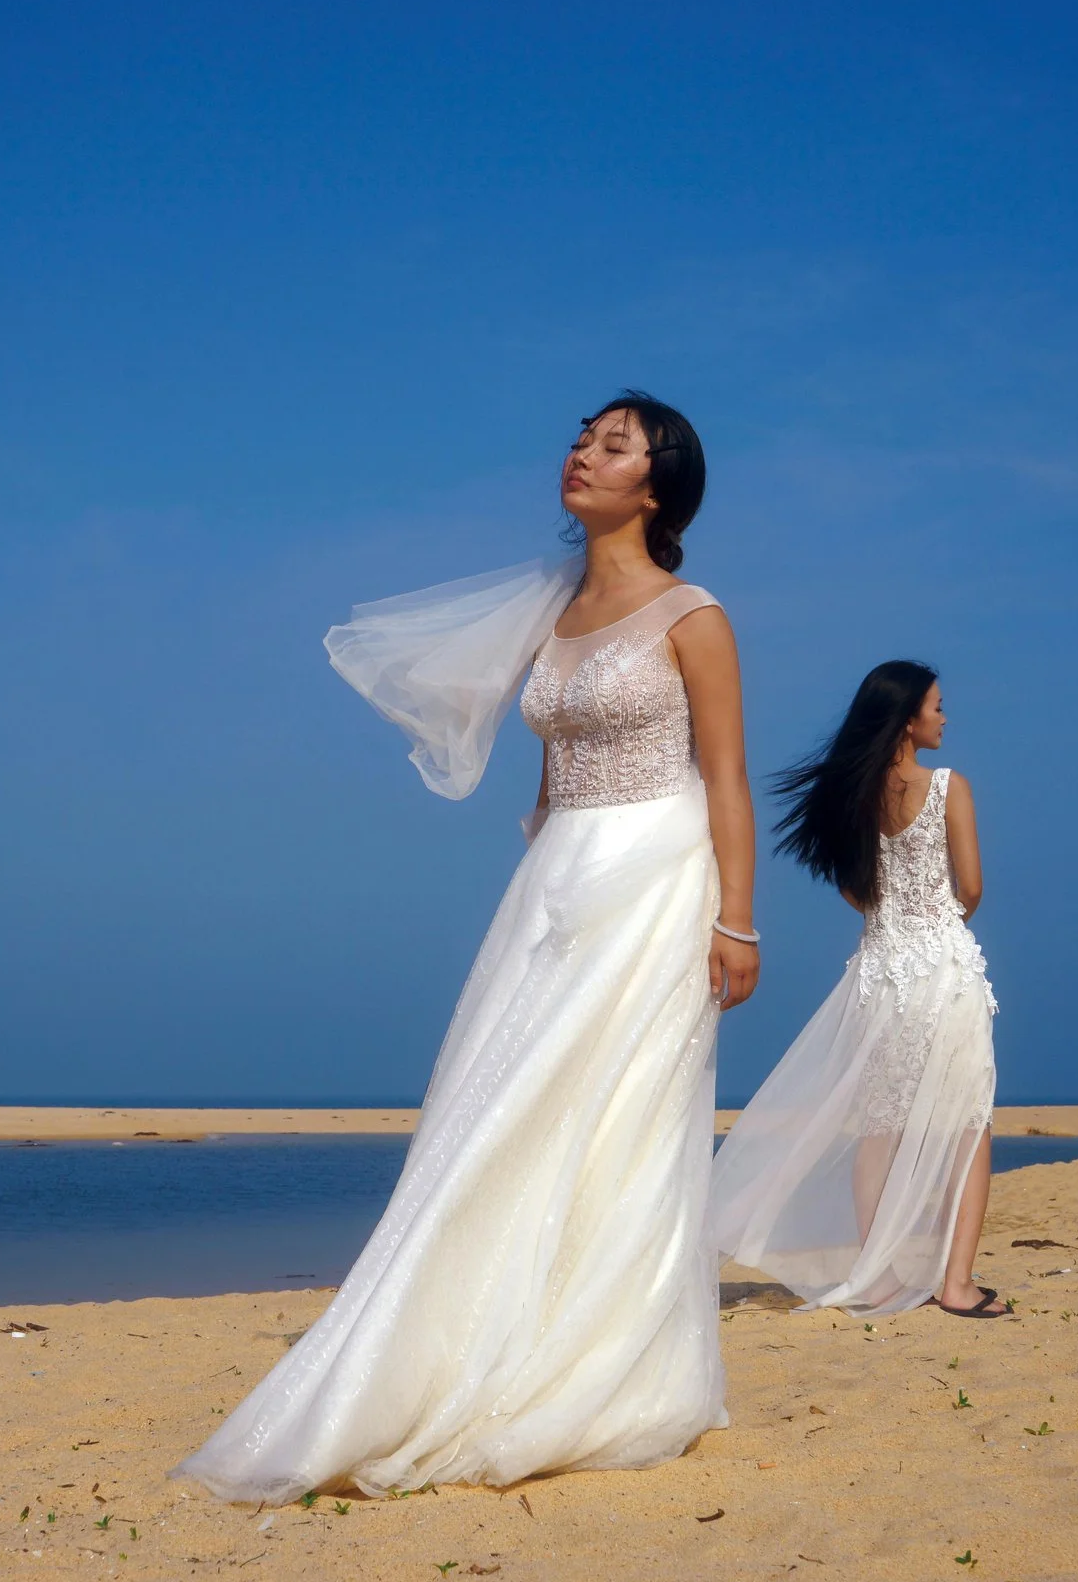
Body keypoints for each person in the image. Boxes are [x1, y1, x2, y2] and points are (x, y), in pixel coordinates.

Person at [176, 393, 757, 1503]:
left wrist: (737, 918)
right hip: (558, 879)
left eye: (615, 446)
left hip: (656, 875)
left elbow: (725, 775)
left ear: (657, 486)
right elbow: (550, 765)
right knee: (499, 1105)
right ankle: (474, 1332)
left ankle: (616, 1360)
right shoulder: (553, 611)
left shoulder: (695, 616)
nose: (583, 454)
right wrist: (543, 869)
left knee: (624, 1112)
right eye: (581, 438)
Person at [707, 662, 1007, 1318]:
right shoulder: (949, 787)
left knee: (880, 1128)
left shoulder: (854, 799)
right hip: (943, 970)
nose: (944, 717)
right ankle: (956, 1284)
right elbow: (972, 887)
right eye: (936, 706)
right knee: (968, 1124)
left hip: (880, 972)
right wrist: (936, 922)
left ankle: (876, 1278)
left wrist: (893, 920)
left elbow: (854, 890)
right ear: (907, 718)